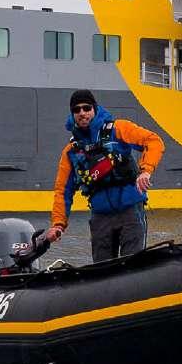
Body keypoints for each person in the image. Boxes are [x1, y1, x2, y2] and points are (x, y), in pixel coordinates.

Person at [44, 89, 164, 263]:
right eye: (77, 110)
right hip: (101, 216)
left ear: (94, 108)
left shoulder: (118, 129)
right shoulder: (71, 151)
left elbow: (153, 141)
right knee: (102, 267)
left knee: (132, 264)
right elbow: (63, 191)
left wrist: (146, 171)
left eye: (86, 108)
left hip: (130, 210)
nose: (82, 113)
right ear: (72, 114)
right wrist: (58, 224)